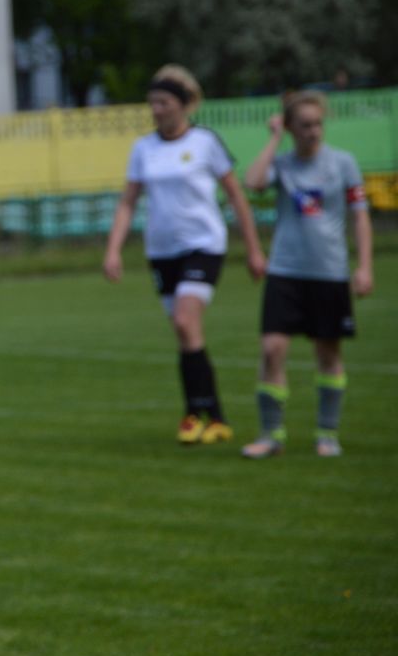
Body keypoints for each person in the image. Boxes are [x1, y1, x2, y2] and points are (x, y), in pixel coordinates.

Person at [104, 64, 267, 445]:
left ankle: (197, 415)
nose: (156, 110)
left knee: (184, 319)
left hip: (204, 245)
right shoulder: (143, 148)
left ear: (182, 104)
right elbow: (128, 202)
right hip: (162, 251)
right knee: (185, 332)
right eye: (152, 103)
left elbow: (236, 196)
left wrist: (254, 250)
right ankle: (211, 417)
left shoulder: (205, 142)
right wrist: (113, 251)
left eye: (163, 102)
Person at [240, 91, 373, 458]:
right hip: (285, 271)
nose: (313, 131)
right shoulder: (282, 164)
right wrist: (273, 139)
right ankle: (271, 435)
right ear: (290, 127)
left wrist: (364, 266)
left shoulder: (343, 163)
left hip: (329, 272)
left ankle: (327, 434)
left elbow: (360, 216)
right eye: (305, 125)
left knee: (328, 352)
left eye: (318, 124)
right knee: (272, 349)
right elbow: (253, 182)